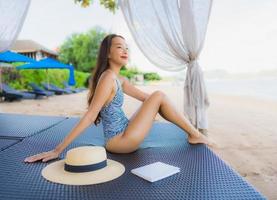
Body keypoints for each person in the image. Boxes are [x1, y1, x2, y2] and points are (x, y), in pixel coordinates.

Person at [24, 34, 213, 163]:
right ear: (107, 53)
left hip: (125, 132)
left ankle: (194, 134)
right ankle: (194, 134)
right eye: (119, 47)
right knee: (159, 95)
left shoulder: (119, 79)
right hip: (119, 142)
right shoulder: (107, 78)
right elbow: (90, 115)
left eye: (126, 48)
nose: (125, 50)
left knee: (157, 97)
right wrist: (58, 150)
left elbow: (148, 99)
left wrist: (154, 111)